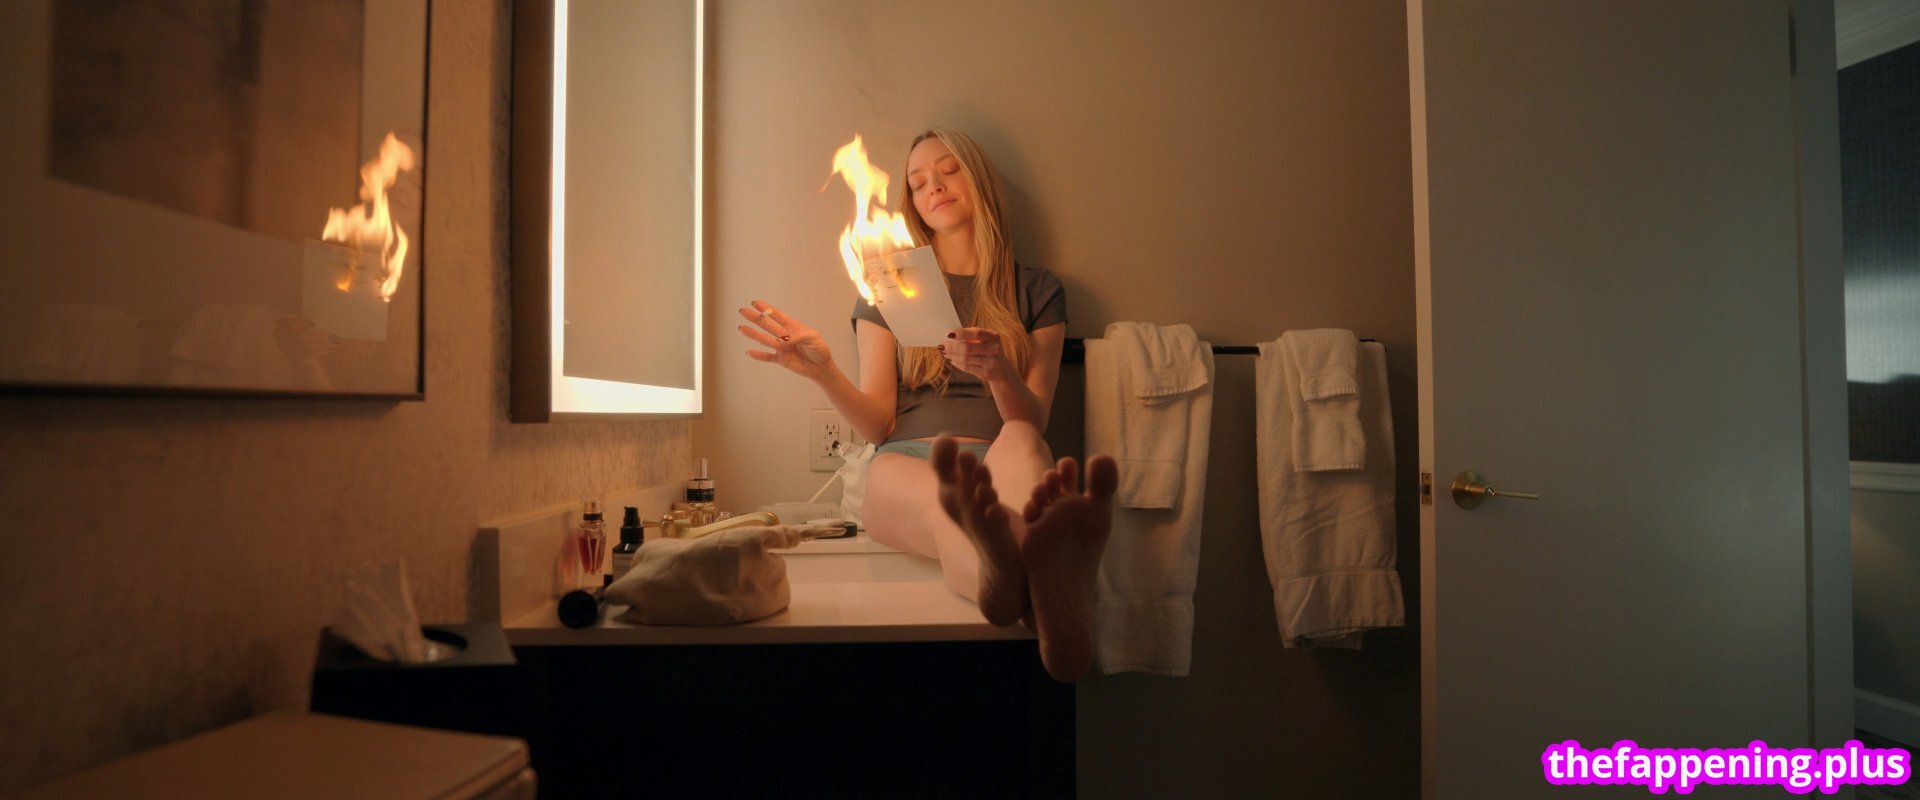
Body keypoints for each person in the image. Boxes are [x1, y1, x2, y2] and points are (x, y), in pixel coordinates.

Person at [737, 128, 1115, 682]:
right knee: (948, 507)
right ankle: (1046, 591)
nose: (933, 187)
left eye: (949, 170)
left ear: (979, 179)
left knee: (1022, 438)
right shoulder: (888, 286)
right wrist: (823, 372)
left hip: (1002, 455)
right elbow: (878, 425)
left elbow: (1032, 419)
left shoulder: (1037, 291)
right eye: (917, 183)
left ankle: (1008, 580)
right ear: (911, 203)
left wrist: (998, 371)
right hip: (907, 462)